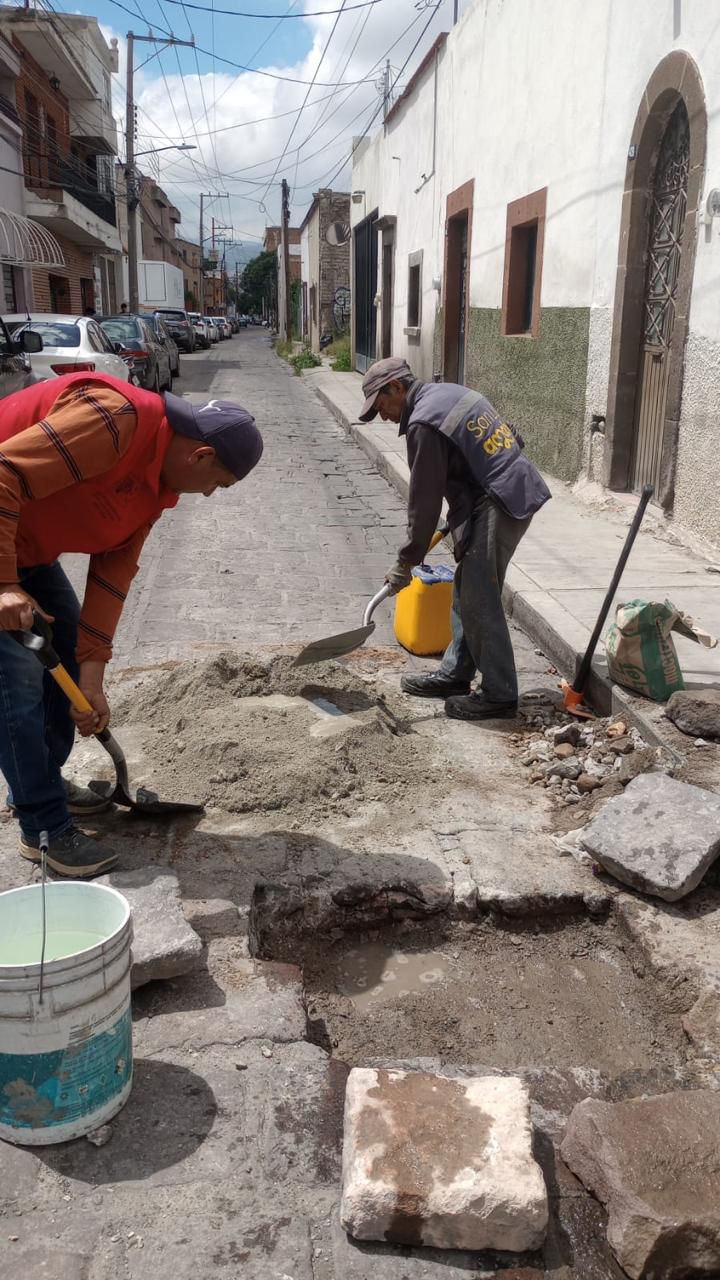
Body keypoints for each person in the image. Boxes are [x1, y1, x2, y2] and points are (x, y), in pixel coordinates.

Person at [0, 375, 263, 878]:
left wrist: (92, 682)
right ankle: (44, 829)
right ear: (202, 456)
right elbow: (3, 469)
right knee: (15, 675)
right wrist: (4, 584)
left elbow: (113, 574)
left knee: (69, 647)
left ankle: (39, 784)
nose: (210, 494)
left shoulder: (158, 489)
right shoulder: (114, 420)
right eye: (218, 484)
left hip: (26, 545)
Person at [358, 357, 550, 722]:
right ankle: (456, 674)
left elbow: (424, 501)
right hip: (511, 487)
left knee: (480, 596)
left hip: (499, 499)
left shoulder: (423, 424)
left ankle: (499, 694)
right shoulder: (449, 393)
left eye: (380, 405)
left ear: (396, 388)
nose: (382, 416)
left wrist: (407, 560)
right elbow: (506, 434)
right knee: (467, 587)